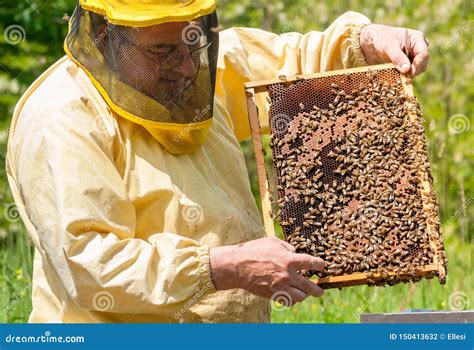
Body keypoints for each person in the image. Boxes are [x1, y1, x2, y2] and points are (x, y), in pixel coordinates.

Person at [6, 0, 430, 323]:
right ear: (104, 38)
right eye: (164, 52)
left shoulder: (197, 67)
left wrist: (366, 42)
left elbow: (289, 65)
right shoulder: (62, 117)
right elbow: (91, 263)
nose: (188, 65)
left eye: (194, 40)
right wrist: (225, 267)